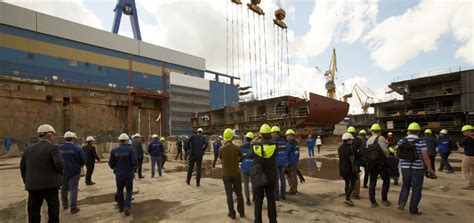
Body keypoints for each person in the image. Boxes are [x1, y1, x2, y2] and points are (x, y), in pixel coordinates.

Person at [20, 124, 64, 223]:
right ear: (49, 135)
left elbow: (23, 168)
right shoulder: (53, 148)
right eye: (53, 135)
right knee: (53, 209)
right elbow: (59, 163)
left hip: (33, 185)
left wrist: (27, 181)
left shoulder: (28, 150)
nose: (54, 138)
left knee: (33, 210)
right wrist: (60, 174)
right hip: (50, 185)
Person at [397, 123, 435, 215]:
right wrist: (430, 169)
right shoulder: (421, 141)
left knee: (405, 185)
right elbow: (425, 156)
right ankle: (413, 209)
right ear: (418, 131)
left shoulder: (402, 140)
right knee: (416, 188)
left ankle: (402, 202)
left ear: (408, 131)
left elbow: (398, 153)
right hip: (417, 168)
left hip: (405, 167)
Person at [252, 124, 277, 223]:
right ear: (270, 134)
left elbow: (249, 155)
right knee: (271, 199)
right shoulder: (275, 146)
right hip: (271, 176)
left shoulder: (256, 147)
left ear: (261, 134)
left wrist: (255, 141)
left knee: (258, 201)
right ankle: (273, 220)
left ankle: (258, 220)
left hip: (259, 176)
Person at [109, 133, 137, 216]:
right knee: (129, 190)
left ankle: (121, 207)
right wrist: (134, 169)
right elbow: (134, 162)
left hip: (119, 174)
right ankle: (127, 206)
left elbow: (111, 163)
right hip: (128, 173)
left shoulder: (114, 151)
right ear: (126, 141)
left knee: (120, 190)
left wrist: (115, 168)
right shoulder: (130, 150)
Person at [219, 128, 245, 219]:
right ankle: (241, 212)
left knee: (229, 194)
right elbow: (241, 159)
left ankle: (232, 213)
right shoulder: (237, 148)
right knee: (239, 193)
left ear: (224, 138)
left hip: (226, 174)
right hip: (236, 173)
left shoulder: (221, 149)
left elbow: (221, 161)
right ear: (232, 137)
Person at [60, 131, 85, 214]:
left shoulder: (60, 148)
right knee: (73, 189)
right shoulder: (77, 148)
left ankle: (65, 204)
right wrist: (80, 165)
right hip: (75, 171)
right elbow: (83, 159)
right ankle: (73, 207)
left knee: (63, 188)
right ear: (73, 139)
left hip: (63, 171)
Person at [366, 124, 391, 208]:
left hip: (371, 163)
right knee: (386, 180)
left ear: (372, 131)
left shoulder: (368, 140)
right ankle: (384, 200)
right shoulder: (381, 138)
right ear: (380, 131)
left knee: (372, 181)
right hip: (381, 163)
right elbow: (385, 151)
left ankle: (373, 202)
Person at [338, 133, 358, 206]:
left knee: (347, 183)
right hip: (350, 169)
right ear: (348, 140)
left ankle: (348, 197)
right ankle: (347, 198)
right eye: (351, 139)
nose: (352, 141)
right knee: (352, 184)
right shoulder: (352, 148)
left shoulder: (340, 148)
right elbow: (356, 157)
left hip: (342, 168)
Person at [272, 126, 288, 200]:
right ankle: (283, 195)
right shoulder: (284, 141)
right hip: (283, 162)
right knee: (283, 179)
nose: (271, 134)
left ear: (275, 132)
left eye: (272, 132)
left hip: (276, 162)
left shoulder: (273, 141)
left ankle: (276, 196)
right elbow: (286, 151)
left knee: (276, 179)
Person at [346, 127, 363, 199]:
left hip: (348, 163)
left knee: (349, 179)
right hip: (356, 163)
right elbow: (361, 152)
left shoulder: (346, 141)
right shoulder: (359, 140)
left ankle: (350, 192)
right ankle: (356, 194)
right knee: (356, 178)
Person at [240, 132, 255, 206]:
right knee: (253, 183)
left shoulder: (241, 147)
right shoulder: (254, 147)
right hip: (253, 167)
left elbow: (239, 158)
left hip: (244, 168)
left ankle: (248, 200)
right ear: (252, 139)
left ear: (246, 139)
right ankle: (254, 197)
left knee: (246, 185)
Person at [459, 125, 474, 190]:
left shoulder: (467, 138)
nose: (463, 133)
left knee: (465, 171)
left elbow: (460, 144)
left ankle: (470, 184)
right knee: (473, 171)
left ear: (469, 131)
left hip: (468, 157)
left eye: (464, 131)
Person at [286, 129, 300, 195]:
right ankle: (295, 188)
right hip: (295, 161)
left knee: (289, 176)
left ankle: (292, 189)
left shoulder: (290, 143)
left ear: (292, 136)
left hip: (290, 162)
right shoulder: (296, 143)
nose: (287, 137)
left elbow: (287, 152)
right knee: (294, 175)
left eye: (288, 136)